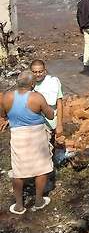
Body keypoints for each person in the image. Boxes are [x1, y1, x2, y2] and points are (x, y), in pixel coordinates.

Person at [0, 70, 55, 214]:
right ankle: (38, 200)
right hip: (37, 135)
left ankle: (19, 205)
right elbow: (50, 115)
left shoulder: (7, 97)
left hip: (18, 135)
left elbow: (3, 114)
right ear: (32, 84)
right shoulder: (37, 97)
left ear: (18, 83)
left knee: (18, 171)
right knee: (41, 168)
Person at [31, 60, 63, 140]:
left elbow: (59, 103)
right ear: (30, 72)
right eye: (34, 72)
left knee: (51, 148)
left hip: (51, 124)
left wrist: (59, 124)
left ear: (45, 71)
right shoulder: (28, 84)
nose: (38, 74)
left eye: (40, 71)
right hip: (34, 125)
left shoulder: (53, 82)